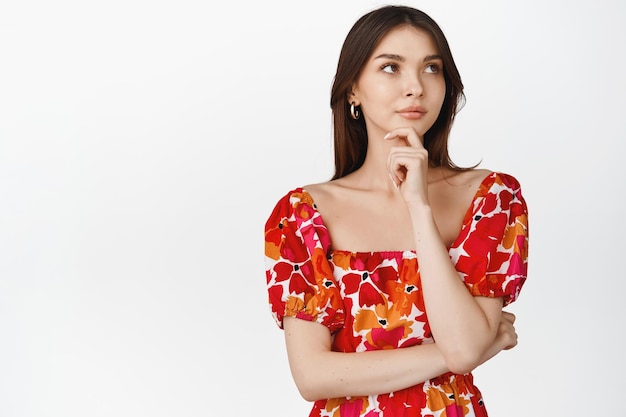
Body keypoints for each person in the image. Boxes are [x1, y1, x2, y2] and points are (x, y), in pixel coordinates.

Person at [263, 4, 529, 416]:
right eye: (391, 67)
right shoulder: (303, 214)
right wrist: (473, 348)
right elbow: (312, 376)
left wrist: (419, 206)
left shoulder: (492, 199)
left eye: (432, 68)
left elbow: (463, 347)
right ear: (353, 88)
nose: (416, 87)